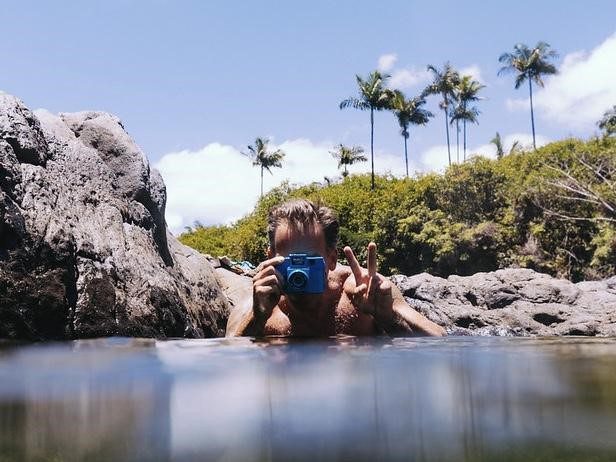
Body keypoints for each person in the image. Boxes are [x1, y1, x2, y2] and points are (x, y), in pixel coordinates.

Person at [226, 199, 445, 337]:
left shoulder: (360, 291)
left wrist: (388, 317)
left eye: (310, 261)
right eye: (290, 261)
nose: (298, 273)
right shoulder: (258, 305)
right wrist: (258, 317)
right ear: (270, 257)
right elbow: (226, 360)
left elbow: (439, 339)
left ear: (331, 259)